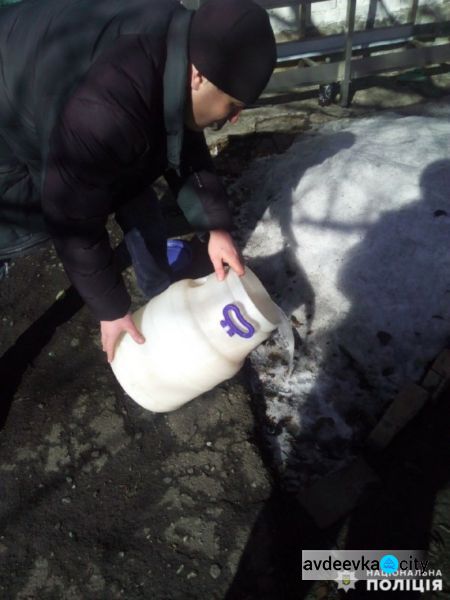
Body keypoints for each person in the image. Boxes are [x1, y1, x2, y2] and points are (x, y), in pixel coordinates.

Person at [0, 0, 277, 361]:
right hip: (12, 97)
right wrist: (111, 308)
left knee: (132, 170)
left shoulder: (180, 45)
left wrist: (215, 227)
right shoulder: (106, 110)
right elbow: (71, 214)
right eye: (233, 105)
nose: (236, 119)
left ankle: (158, 286)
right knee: (12, 223)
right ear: (199, 76)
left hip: (54, 77)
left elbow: (182, 139)